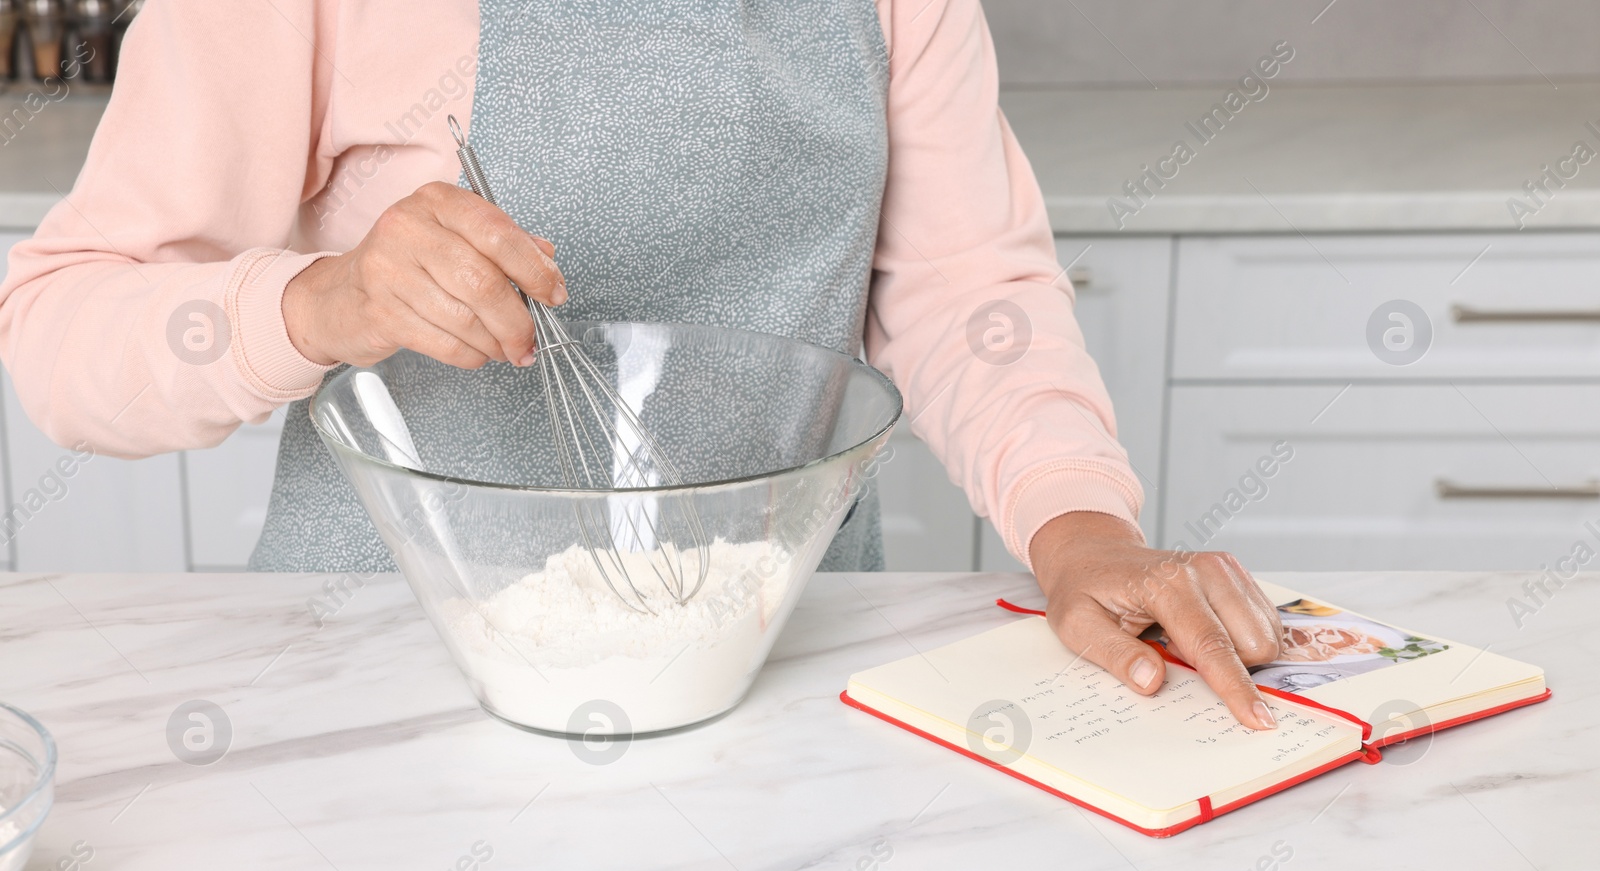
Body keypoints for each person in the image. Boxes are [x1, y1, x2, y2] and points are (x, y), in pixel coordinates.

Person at [0, 0, 1284, 730]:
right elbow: (58, 331)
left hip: (772, 667)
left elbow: (964, 287)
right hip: (388, 692)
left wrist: (1076, 524)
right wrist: (322, 302)